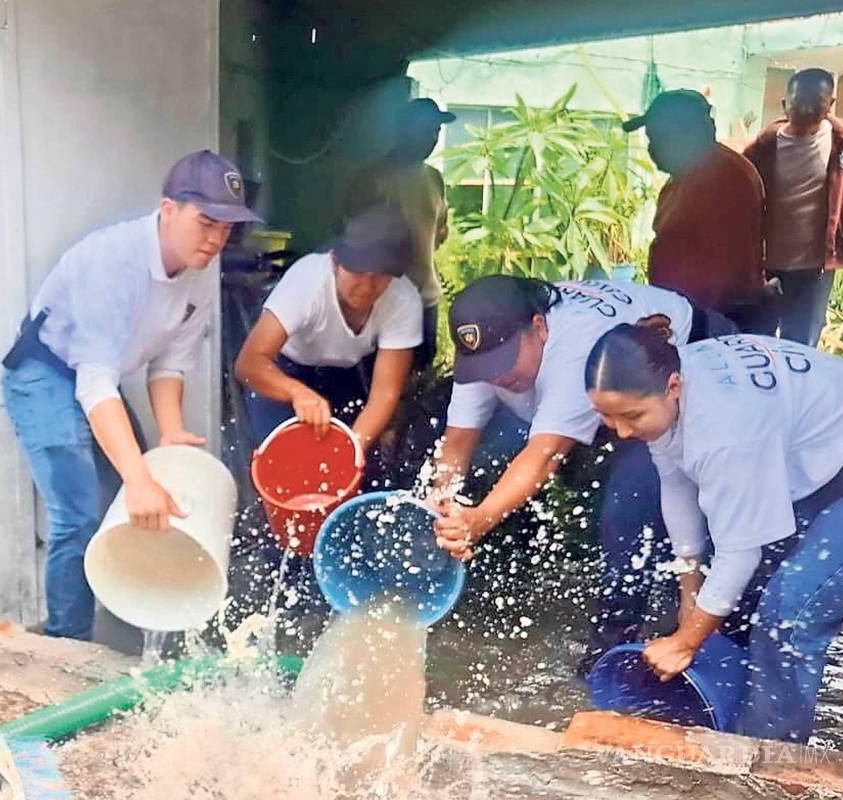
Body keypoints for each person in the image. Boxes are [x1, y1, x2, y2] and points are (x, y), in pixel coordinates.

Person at [0, 150, 261, 641]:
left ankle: (140, 619)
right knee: (79, 512)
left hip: (102, 377)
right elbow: (93, 381)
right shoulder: (113, 264)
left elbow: (169, 361)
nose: (216, 239)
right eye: (206, 222)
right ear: (168, 208)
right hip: (45, 373)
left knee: (137, 499)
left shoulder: (202, 266)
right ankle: (66, 646)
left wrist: (169, 431)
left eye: (227, 228)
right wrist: (139, 476)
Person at [430, 275, 735, 667]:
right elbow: (457, 444)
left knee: (629, 507)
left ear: (539, 327)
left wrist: (479, 519)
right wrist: (443, 505)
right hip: (606, 384)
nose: (497, 377)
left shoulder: (576, 348)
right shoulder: (482, 354)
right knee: (495, 451)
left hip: (684, 359)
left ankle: (613, 649)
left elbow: (544, 455)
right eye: (485, 368)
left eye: (504, 362)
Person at [584, 325, 843, 742]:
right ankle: (736, 712)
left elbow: (740, 552)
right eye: (607, 419)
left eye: (632, 417)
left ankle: (764, 763)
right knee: (738, 597)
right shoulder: (668, 383)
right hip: (823, 453)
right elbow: (676, 488)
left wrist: (686, 642)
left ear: (672, 386)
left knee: (790, 614)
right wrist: (690, 597)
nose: (621, 433)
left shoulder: (724, 429)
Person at [234, 204, 422, 449]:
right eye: (357, 272)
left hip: (350, 373)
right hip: (282, 370)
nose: (367, 286)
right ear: (335, 261)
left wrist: (351, 451)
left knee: (352, 462)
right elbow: (248, 365)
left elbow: (384, 393)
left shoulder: (404, 299)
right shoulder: (306, 282)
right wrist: (295, 392)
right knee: (282, 457)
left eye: (380, 275)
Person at [626, 90, 767, 330]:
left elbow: (721, 271)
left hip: (712, 320)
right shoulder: (687, 174)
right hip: (691, 314)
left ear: (686, 135)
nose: (651, 149)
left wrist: (693, 324)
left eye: (657, 138)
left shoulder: (724, 179)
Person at [744, 68, 843, 346]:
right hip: (764, 266)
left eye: (816, 103)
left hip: (814, 271)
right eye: (798, 103)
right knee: (758, 342)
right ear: (784, 105)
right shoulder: (764, 147)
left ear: (830, 105)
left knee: (801, 348)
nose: (806, 109)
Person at [346, 98, 453, 367]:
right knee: (381, 386)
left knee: (421, 385)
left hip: (426, 299)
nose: (432, 138)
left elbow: (439, 233)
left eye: (436, 131)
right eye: (426, 129)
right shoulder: (373, 179)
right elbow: (353, 241)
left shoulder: (434, 179)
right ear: (404, 130)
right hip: (383, 301)